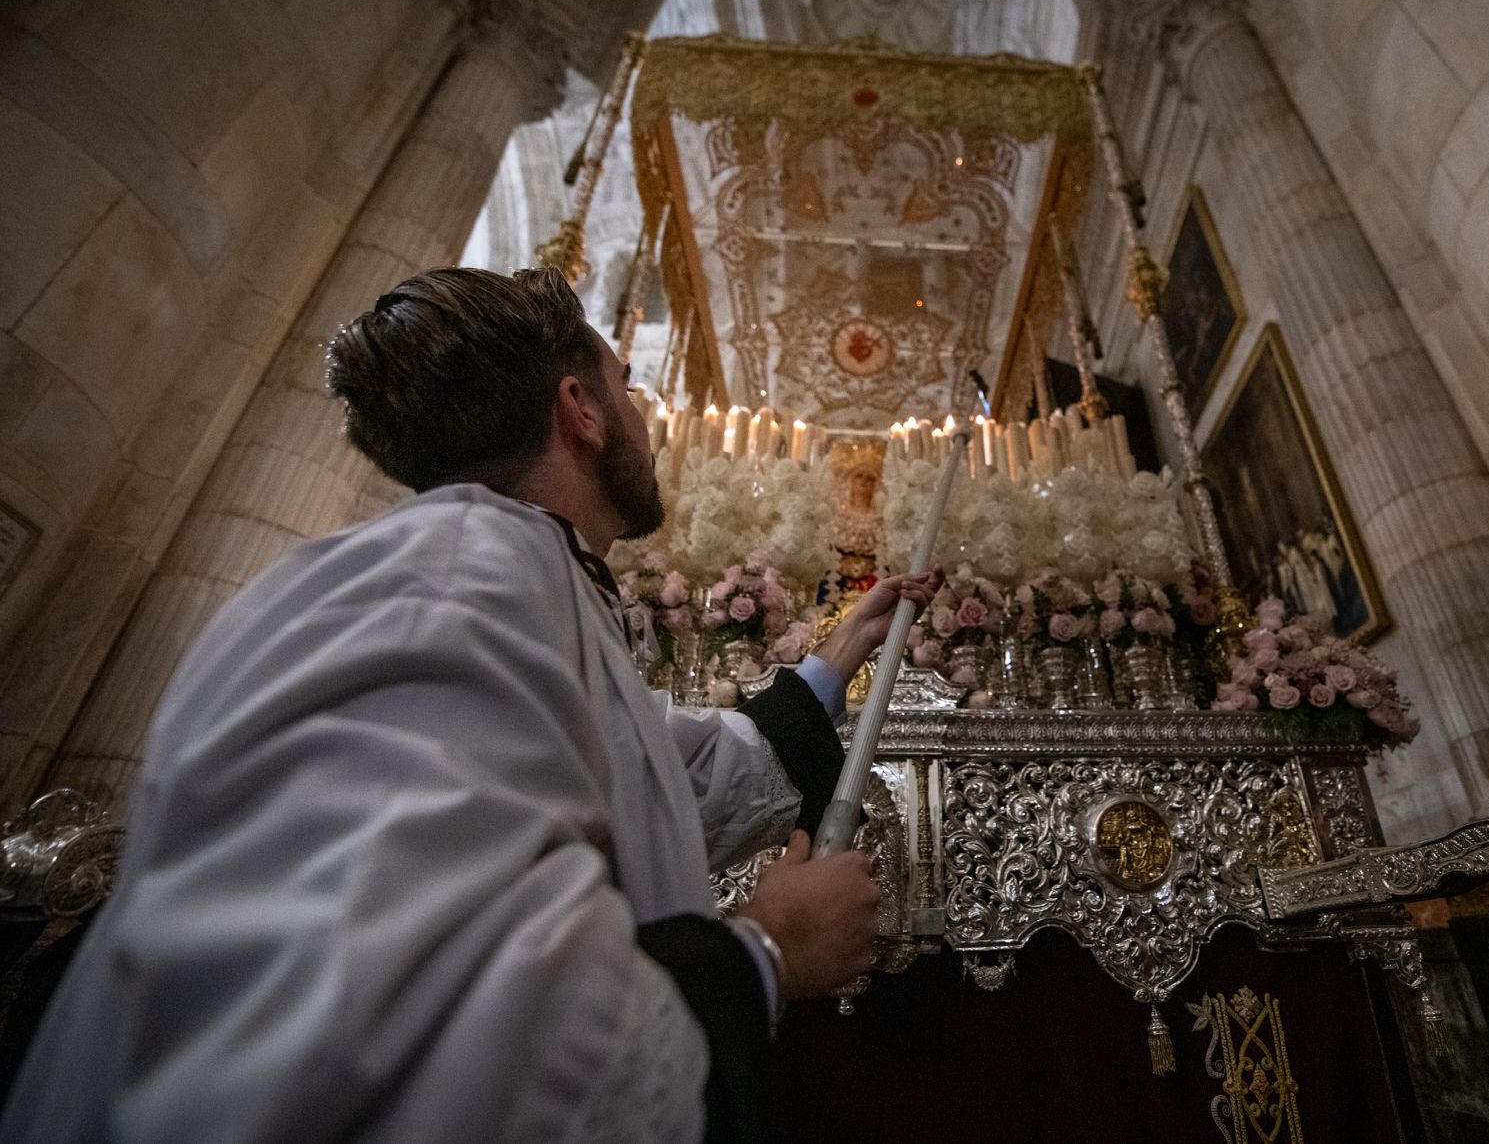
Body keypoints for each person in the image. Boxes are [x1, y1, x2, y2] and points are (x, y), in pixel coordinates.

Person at [0, 267, 936, 1143]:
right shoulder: (450, 585)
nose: (645, 420)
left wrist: (842, 652)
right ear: (581, 411)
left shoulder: (512, 577)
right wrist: (765, 956)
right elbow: (411, 1019)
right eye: (627, 387)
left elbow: (667, 774)